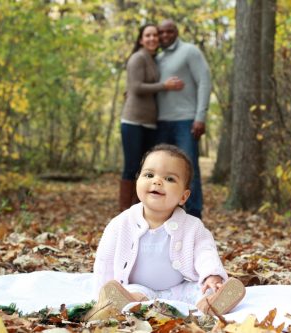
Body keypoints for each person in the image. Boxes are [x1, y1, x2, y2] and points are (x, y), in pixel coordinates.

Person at [86, 144, 245, 321]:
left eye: (169, 179)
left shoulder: (192, 226)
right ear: (138, 181)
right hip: (139, 287)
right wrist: (100, 294)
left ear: (183, 197)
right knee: (131, 295)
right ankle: (122, 303)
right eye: (149, 175)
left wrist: (212, 274)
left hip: (178, 288)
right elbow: (105, 261)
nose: (157, 181)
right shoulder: (121, 223)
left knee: (199, 289)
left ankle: (210, 303)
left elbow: (204, 251)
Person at [119, 23, 184, 212]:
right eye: (147, 35)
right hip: (133, 121)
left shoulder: (153, 59)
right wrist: (165, 86)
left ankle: (140, 210)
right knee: (131, 167)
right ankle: (125, 212)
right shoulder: (137, 58)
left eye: (155, 35)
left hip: (149, 123)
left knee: (144, 168)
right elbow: (136, 87)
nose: (152, 39)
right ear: (141, 39)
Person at [155, 19, 212, 219]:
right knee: (162, 170)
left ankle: (194, 215)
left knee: (188, 169)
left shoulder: (190, 51)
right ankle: (169, 212)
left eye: (169, 31)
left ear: (176, 32)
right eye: (161, 32)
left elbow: (204, 82)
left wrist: (200, 117)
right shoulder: (158, 57)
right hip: (159, 122)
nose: (164, 36)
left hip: (185, 120)